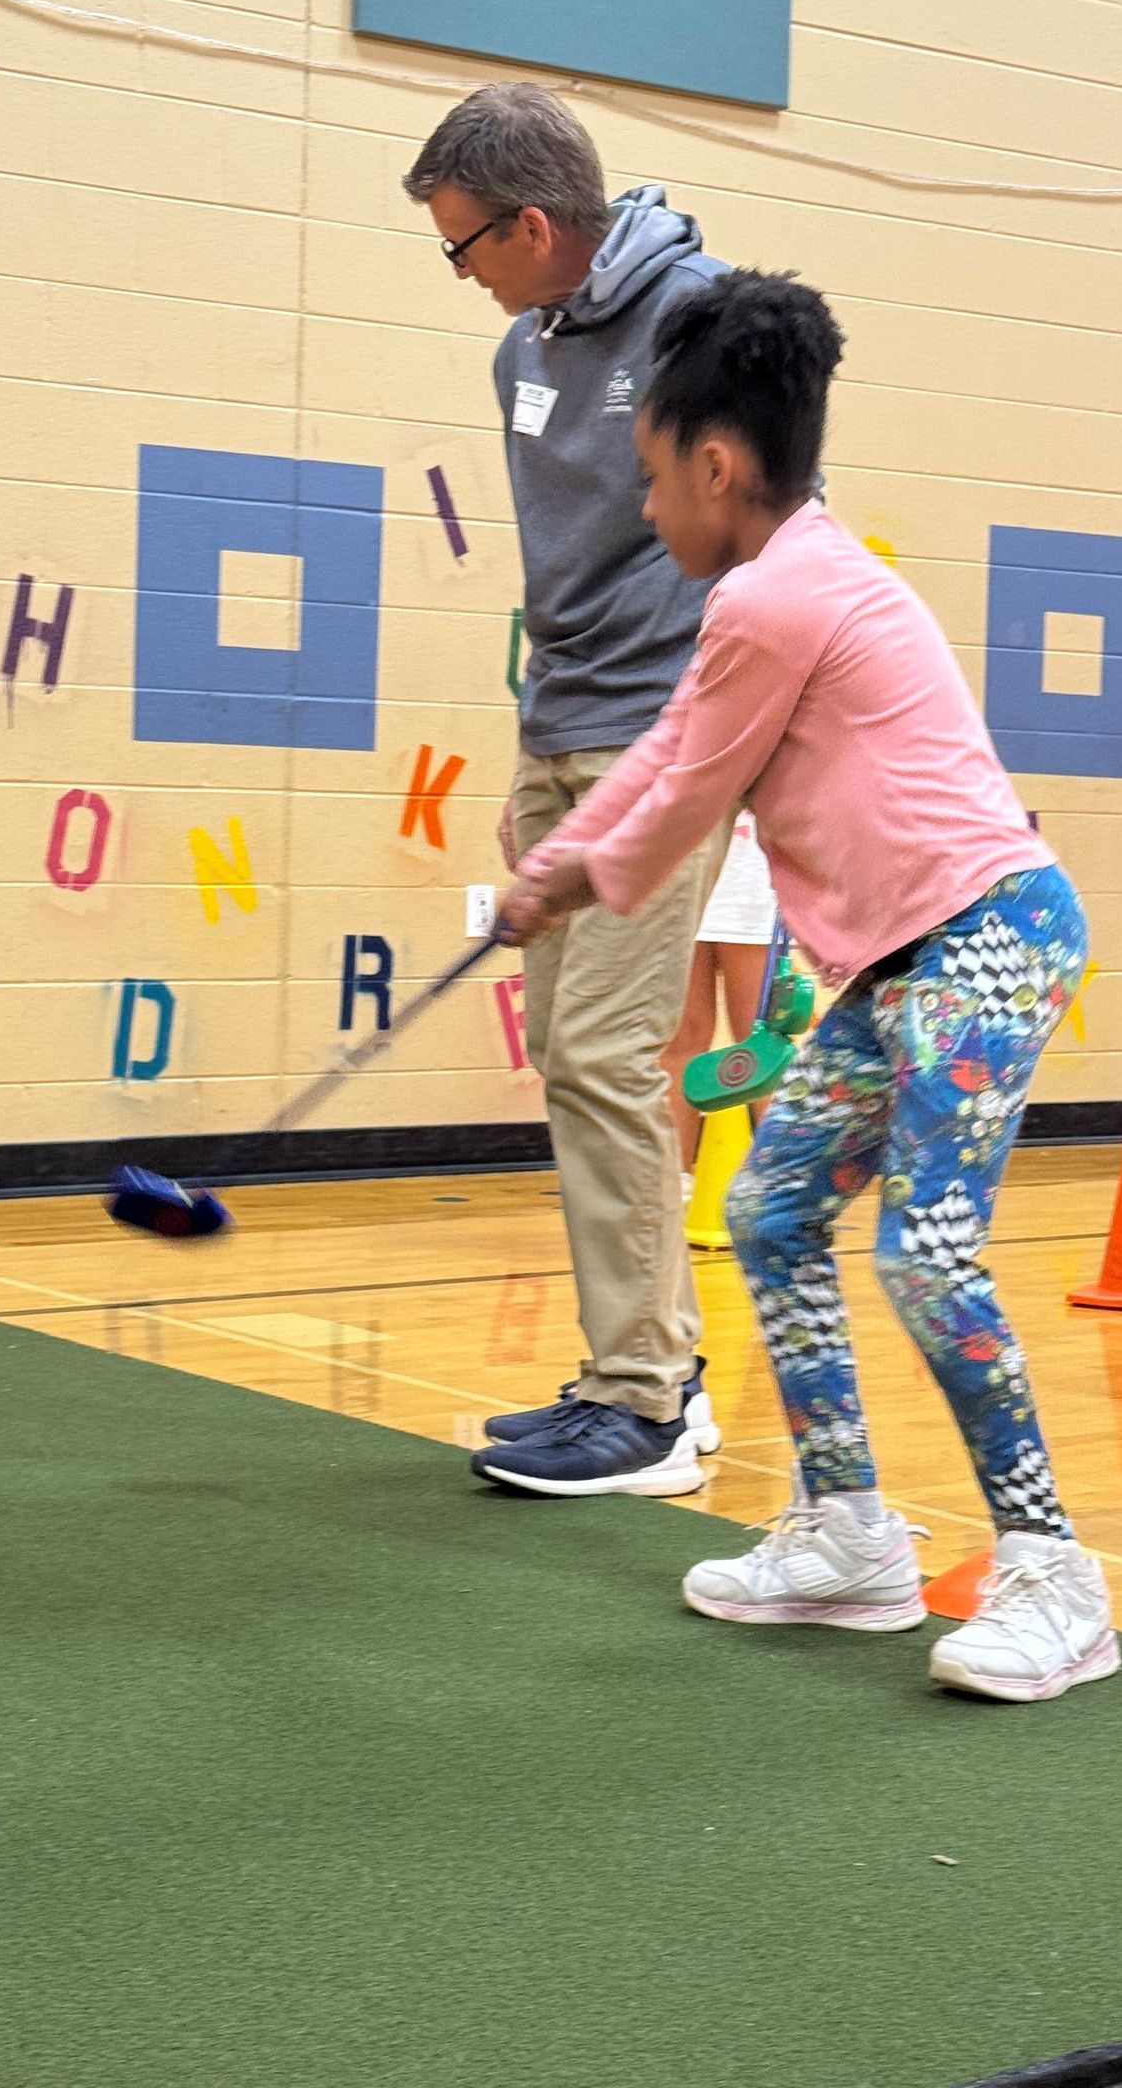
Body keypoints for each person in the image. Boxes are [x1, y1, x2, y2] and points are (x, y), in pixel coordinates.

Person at [499, 270, 1117, 1704]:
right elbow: (667, 758)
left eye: (655, 481)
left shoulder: (779, 601)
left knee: (926, 1248)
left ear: (718, 468)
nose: (648, 513)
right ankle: (847, 1532)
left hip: (989, 937)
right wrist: (572, 852)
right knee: (774, 1214)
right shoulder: (790, 583)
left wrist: (564, 874)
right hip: (900, 965)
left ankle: (1055, 1573)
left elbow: (674, 795)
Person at [402, 85, 731, 1497]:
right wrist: (535, 751)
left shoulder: (707, 326)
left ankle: (643, 1406)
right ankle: (652, 1365)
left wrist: (687, 753)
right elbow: (564, 576)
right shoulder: (522, 353)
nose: (462, 273)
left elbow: (770, 544)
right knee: (570, 1057)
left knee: (607, 1056)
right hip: (566, 732)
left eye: (465, 245)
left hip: (668, 737)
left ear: (536, 224)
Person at [663, 813, 779, 1185]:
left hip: (751, 875)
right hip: (681, 868)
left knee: (762, 1040)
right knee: (680, 1038)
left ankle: (780, 1184)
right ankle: (673, 1181)